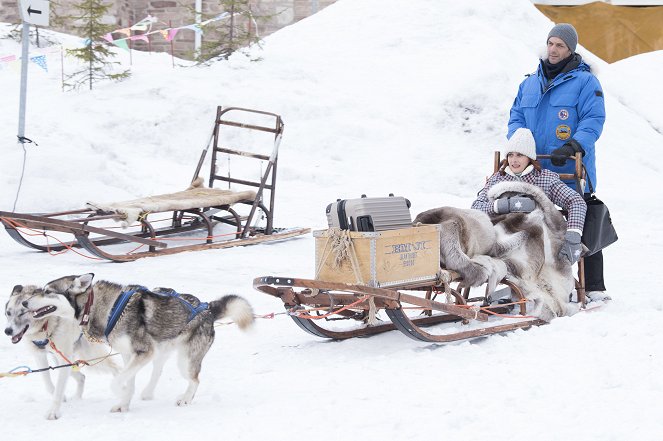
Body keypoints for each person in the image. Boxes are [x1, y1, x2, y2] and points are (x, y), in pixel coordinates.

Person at [506, 23, 608, 300]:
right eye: (551, 43)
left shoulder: (586, 82)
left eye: (560, 45)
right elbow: (515, 118)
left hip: (569, 167)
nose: (553, 49)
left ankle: (595, 287)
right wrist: (519, 145)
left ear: (570, 49)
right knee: (526, 223)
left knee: (582, 219)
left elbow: (593, 119)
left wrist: (574, 144)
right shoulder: (529, 83)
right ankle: (525, 280)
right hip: (533, 170)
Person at [472, 128, 587, 265]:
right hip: (503, 236)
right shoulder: (498, 179)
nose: (514, 160)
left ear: (529, 157)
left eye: (520, 155)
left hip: (535, 238)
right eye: (510, 155)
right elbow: (476, 207)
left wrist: (573, 235)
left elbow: (576, 202)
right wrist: (505, 205)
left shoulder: (544, 178)